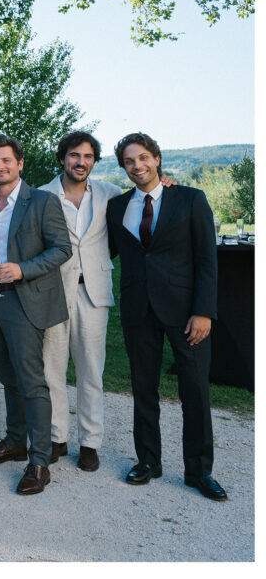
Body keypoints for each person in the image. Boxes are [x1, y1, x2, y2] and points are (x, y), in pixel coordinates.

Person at [107, 132, 226, 500]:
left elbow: (207, 260)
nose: (137, 166)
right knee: (144, 388)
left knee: (195, 390)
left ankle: (199, 471)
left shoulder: (190, 199)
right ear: (123, 167)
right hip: (138, 310)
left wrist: (203, 311)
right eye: (129, 161)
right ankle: (148, 461)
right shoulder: (117, 207)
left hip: (185, 313)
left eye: (143, 158)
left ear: (157, 159)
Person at [0, 134, 71, 495]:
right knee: (7, 377)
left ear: (20, 164)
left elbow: (62, 249)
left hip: (24, 298)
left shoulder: (42, 201)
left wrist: (22, 269)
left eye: (6, 161)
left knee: (31, 380)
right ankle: (15, 442)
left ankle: (40, 462)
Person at [38, 131, 123, 473]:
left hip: (94, 291)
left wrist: (168, 183)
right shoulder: (42, 195)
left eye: (88, 156)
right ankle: (57, 437)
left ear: (94, 161)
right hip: (54, 292)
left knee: (91, 371)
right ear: (62, 158)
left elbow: (145, 202)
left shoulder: (111, 194)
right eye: (75, 155)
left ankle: (90, 442)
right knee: (51, 368)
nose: (81, 162)